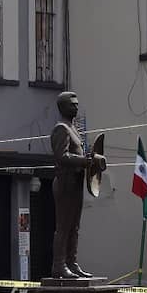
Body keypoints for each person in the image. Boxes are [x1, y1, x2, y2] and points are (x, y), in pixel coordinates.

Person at [50, 92, 105, 279]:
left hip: (76, 184)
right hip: (65, 183)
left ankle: (72, 263)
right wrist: (84, 161)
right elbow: (61, 156)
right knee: (63, 226)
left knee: (74, 226)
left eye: (77, 104)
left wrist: (90, 161)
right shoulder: (61, 129)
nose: (76, 107)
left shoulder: (74, 130)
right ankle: (59, 265)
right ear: (63, 107)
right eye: (72, 104)